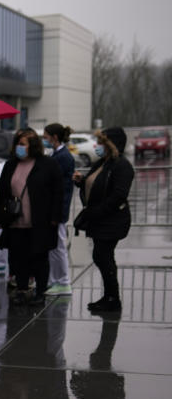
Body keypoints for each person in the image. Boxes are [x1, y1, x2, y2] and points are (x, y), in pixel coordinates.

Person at [0, 128, 64, 306]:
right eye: (18, 143)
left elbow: (58, 192)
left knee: (40, 258)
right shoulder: (10, 165)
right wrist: (1, 217)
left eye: (23, 144)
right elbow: (2, 191)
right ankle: (22, 289)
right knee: (18, 258)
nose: (19, 147)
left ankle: (40, 291)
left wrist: (56, 217)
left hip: (40, 222)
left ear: (32, 146)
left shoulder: (48, 164)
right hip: (16, 222)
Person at [73, 127, 134, 313]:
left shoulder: (121, 165)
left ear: (111, 145)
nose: (97, 146)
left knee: (103, 257)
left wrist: (97, 211)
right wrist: (82, 181)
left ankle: (113, 299)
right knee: (102, 257)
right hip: (99, 218)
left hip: (111, 220)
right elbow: (98, 184)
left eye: (101, 143)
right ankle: (110, 297)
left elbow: (118, 195)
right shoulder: (103, 162)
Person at [44, 123, 77, 296]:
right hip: (55, 209)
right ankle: (56, 280)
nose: (44, 139)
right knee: (54, 247)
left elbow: (60, 188)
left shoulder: (63, 157)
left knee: (58, 247)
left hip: (58, 210)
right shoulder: (57, 155)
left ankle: (63, 281)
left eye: (46, 136)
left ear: (54, 137)